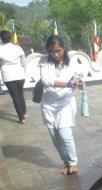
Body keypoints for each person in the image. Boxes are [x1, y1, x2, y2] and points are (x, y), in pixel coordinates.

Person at [40, 35, 84, 175]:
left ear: (64, 48)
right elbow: (46, 80)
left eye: (58, 50)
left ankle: (73, 162)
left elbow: (80, 80)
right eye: (52, 51)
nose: (56, 54)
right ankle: (66, 162)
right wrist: (67, 84)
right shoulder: (44, 61)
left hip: (65, 103)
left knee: (65, 134)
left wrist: (80, 84)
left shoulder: (72, 63)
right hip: (49, 105)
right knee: (56, 138)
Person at [0, 30, 28, 124]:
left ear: (1, 39)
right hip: (19, 73)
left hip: (8, 75)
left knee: (15, 97)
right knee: (21, 94)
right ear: (11, 38)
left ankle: (21, 118)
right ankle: (24, 113)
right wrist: (23, 70)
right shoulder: (17, 47)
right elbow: (23, 61)